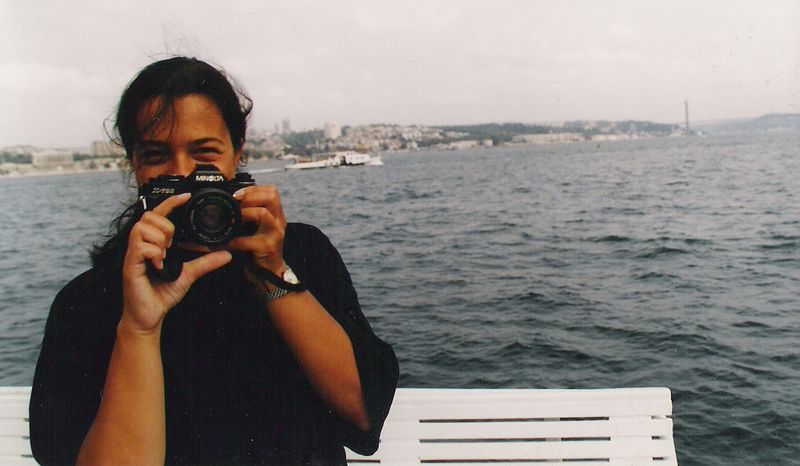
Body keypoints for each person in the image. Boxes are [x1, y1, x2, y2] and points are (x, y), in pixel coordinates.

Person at [29, 56, 399, 465]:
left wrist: (273, 274)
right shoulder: (88, 300)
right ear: (135, 163)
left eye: (204, 152)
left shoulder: (302, 252)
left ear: (237, 153)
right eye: (156, 154)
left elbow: (363, 415)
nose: (184, 173)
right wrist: (138, 329)